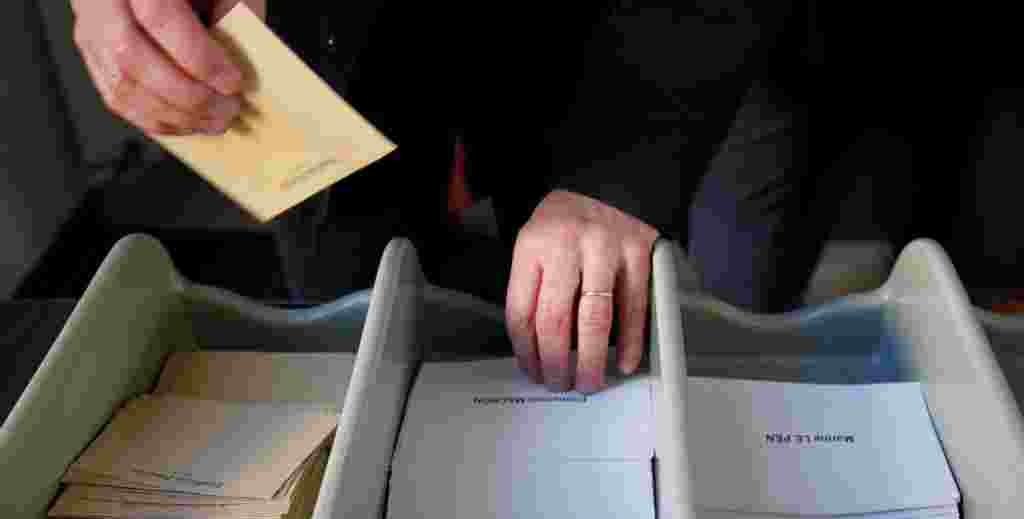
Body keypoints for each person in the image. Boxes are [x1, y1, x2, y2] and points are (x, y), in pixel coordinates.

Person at [70, 0, 824, 394]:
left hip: (645, 41)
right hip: (324, 44)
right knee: (354, 331)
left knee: (670, 317)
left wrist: (619, 171)